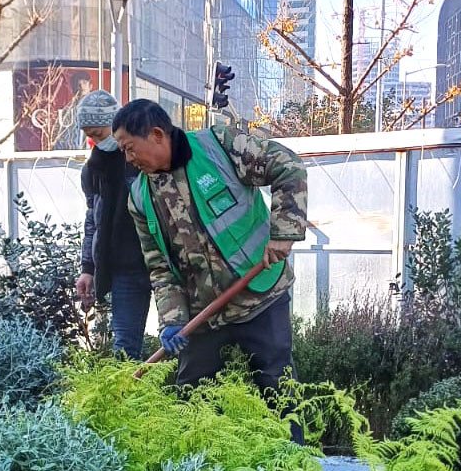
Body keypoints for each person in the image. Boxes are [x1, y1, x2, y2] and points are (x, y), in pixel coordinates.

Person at [113, 98, 307, 394]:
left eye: (129, 147)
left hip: (259, 293)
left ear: (156, 134)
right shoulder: (139, 197)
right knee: (193, 397)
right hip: (202, 312)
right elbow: (160, 267)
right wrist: (172, 321)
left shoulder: (220, 146)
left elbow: (288, 165)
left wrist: (285, 232)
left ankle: (291, 442)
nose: (128, 158)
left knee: (277, 389)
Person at [74, 88, 152, 358]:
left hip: (160, 262)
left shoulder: (142, 158)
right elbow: (91, 221)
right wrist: (88, 268)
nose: (94, 140)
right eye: (89, 136)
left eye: (98, 133)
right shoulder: (92, 169)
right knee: (125, 350)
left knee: (180, 340)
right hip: (123, 270)